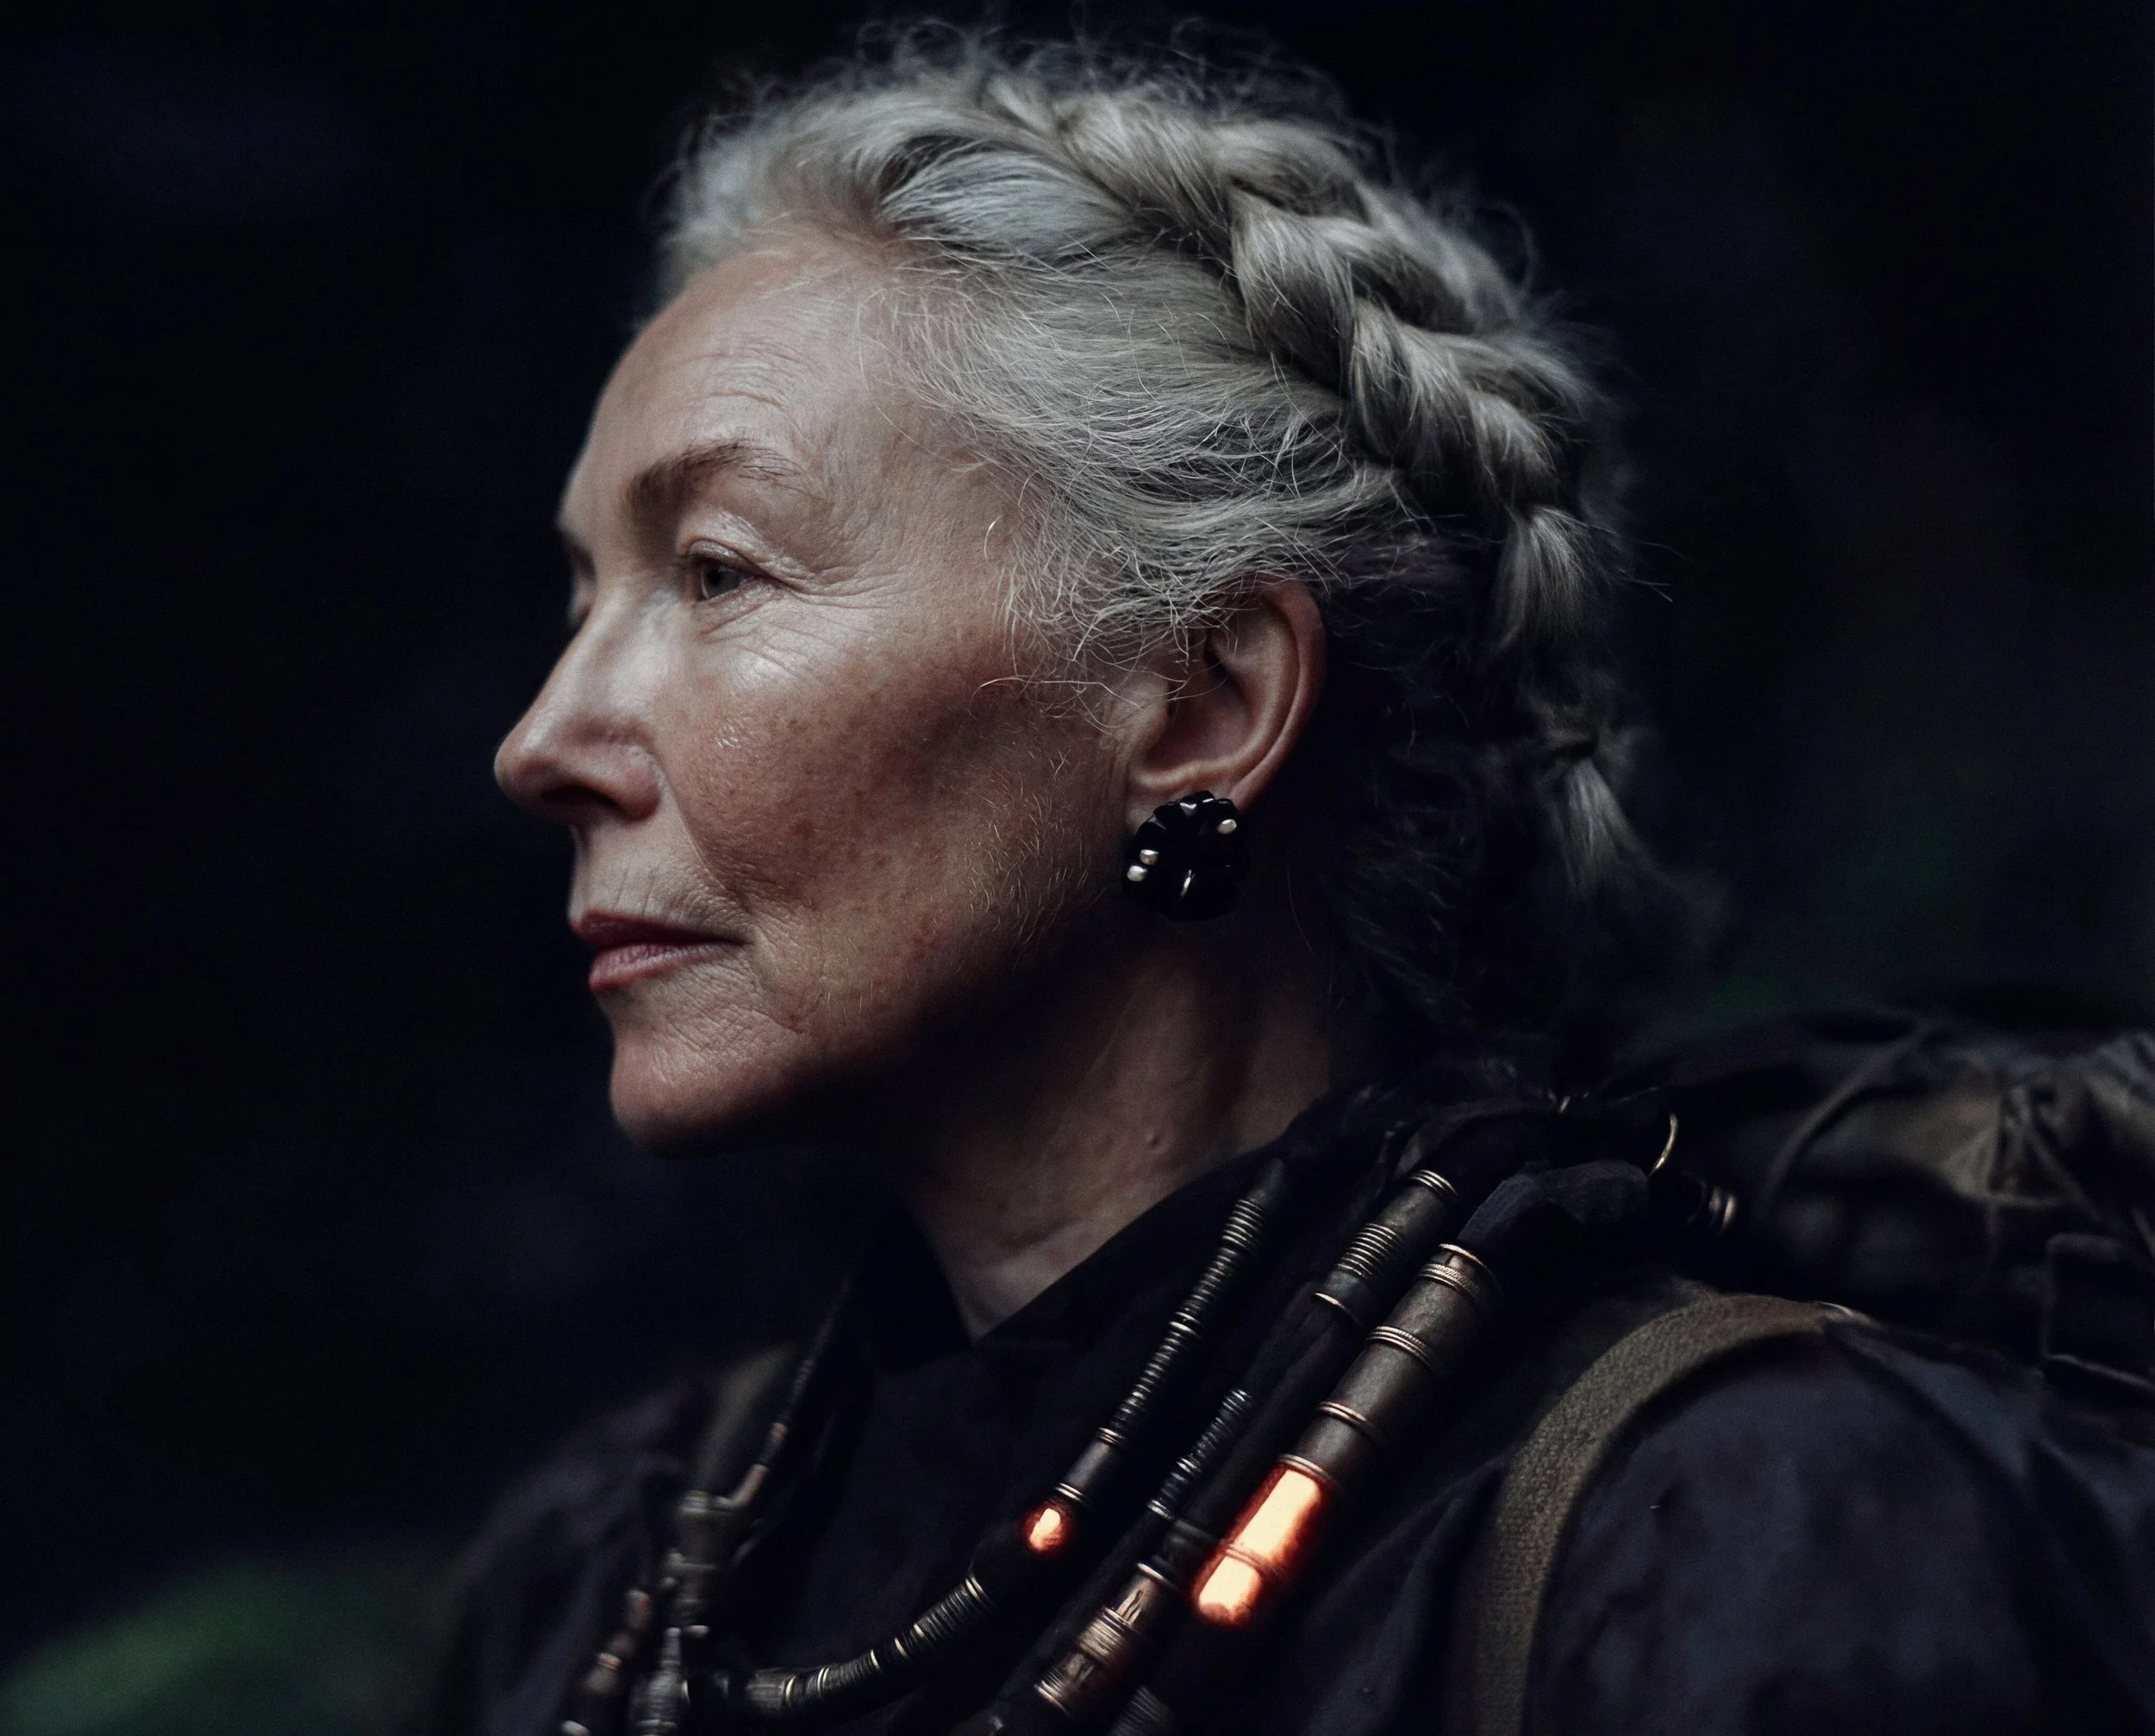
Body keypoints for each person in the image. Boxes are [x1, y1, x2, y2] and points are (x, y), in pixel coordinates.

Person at [419, 32, 2155, 1736]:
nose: (542, 738)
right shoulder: (604, 1575)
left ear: (1201, 700)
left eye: (717, 572)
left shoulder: (1753, 1540)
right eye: (587, 599)